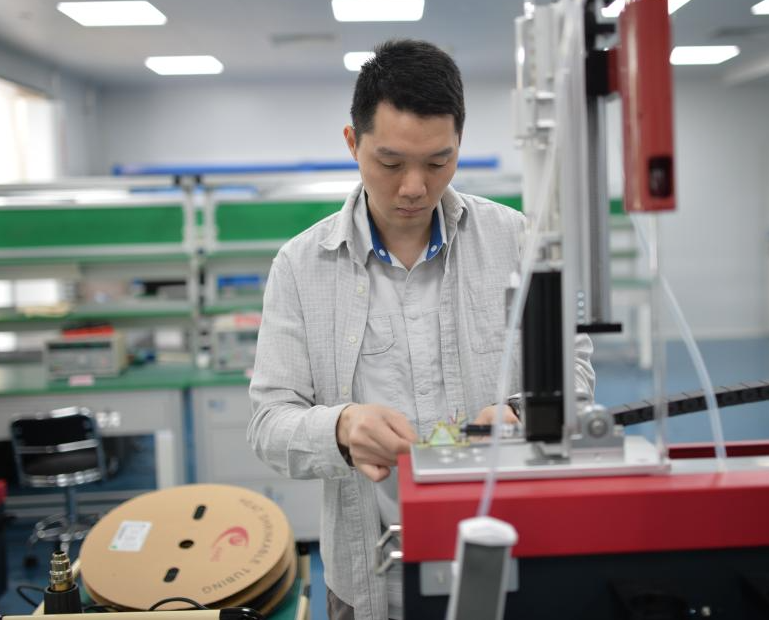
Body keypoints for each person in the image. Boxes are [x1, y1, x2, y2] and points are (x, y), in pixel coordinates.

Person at [248, 39, 594, 620]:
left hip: (504, 558)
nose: (414, 187)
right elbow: (268, 424)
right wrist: (341, 428)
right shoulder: (301, 266)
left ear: (459, 144)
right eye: (390, 163)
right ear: (352, 143)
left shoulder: (517, 241)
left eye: (438, 162)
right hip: (368, 584)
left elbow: (575, 374)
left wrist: (521, 413)